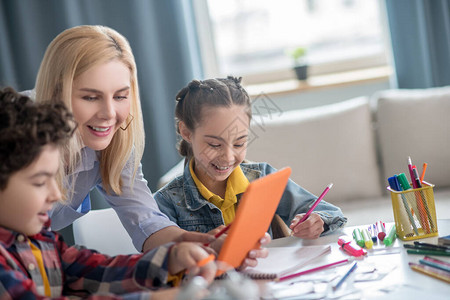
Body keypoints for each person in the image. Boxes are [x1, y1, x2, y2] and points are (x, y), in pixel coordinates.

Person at [32, 25, 267, 267]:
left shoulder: (113, 143)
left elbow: (145, 220)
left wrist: (195, 244)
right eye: (91, 97)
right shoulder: (16, 132)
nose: (109, 113)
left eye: (120, 96)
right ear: (56, 92)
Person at [0, 87, 216, 299]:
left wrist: (169, 260)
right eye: (40, 182)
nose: (57, 194)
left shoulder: (40, 240)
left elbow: (94, 271)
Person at [154, 77, 347, 239]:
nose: (228, 157)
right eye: (214, 145)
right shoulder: (167, 202)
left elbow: (333, 214)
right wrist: (201, 246)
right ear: (186, 132)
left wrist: (317, 221)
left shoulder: (263, 177)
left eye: (239, 144)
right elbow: (159, 265)